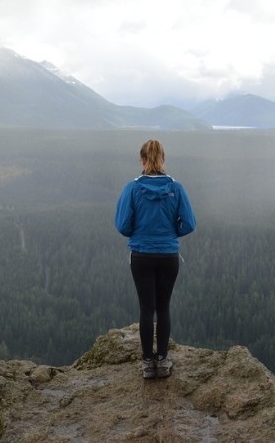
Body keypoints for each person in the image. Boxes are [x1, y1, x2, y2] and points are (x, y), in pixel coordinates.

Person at [115, 139, 196, 379]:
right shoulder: (176, 188)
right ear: (163, 159)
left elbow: (122, 225)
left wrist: (140, 234)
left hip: (141, 256)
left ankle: (147, 364)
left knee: (146, 309)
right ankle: (162, 360)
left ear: (142, 160)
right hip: (168, 255)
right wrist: (171, 234)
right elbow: (190, 223)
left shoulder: (132, 188)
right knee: (163, 307)